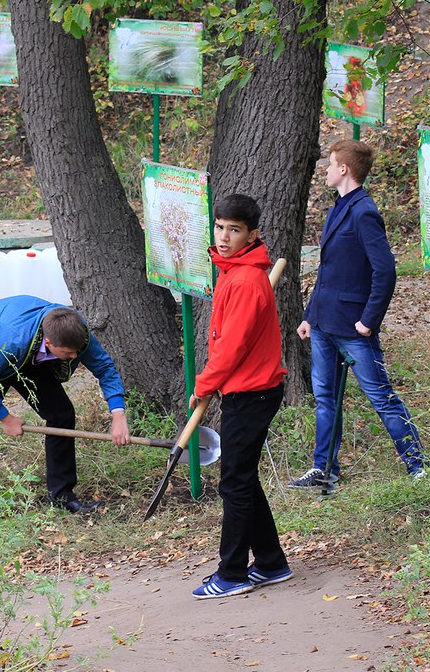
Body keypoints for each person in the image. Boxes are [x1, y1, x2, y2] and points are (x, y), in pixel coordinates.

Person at [289, 139, 425, 492]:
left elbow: (385, 272)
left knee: (380, 396)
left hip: (352, 328)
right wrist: (308, 315)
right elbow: (328, 270)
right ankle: (324, 468)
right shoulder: (337, 208)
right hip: (323, 323)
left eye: (331, 164)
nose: (327, 169)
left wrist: (369, 321)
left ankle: (418, 466)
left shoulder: (364, 212)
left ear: (344, 169)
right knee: (325, 400)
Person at [189, 194, 293, 599]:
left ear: (252, 234)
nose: (225, 236)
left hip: (254, 393)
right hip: (244, 390)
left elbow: (229, 347)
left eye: (234, 230)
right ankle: (270, 562)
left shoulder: (248, 281)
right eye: (220, 227)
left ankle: (231, 574)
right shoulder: (234, 272)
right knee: (241, 479)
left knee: (233, 484)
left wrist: (203, 385)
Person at [0, 294, 131, 517]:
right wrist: (5, 418)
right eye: (68, 353)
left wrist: (118, 415)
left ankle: (62, 496)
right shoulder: (12, 340)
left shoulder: (76, 332)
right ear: (49, 342)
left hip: (29, 356)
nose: (74, 356)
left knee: (61, 414)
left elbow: (104, 368)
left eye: (75, 351)